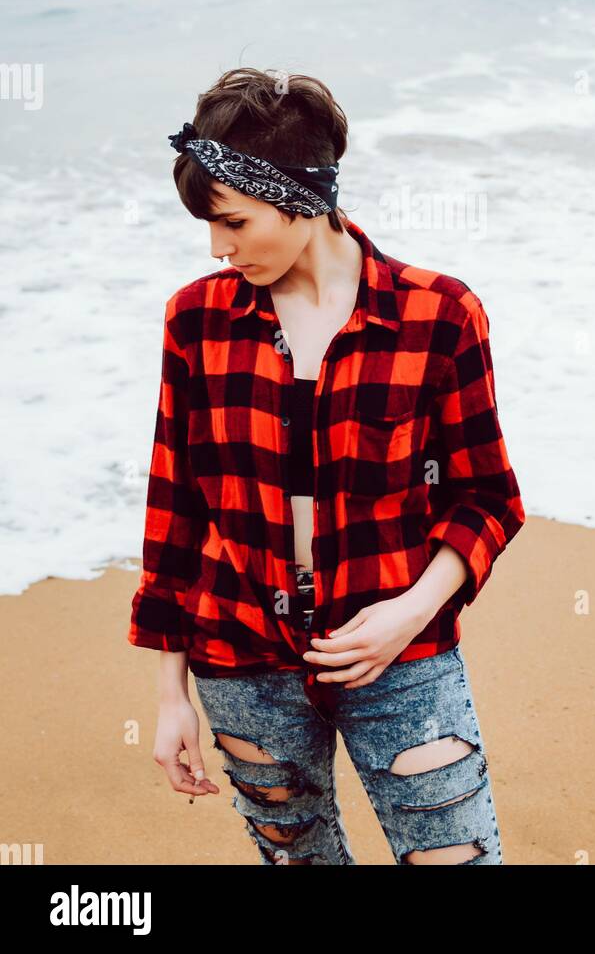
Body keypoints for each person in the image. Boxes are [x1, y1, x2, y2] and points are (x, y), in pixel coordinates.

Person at [128, 67, 526, 865]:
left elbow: (488, 496)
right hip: (239, 657)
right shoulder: (195, 318)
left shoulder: (438, 315)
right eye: (209, 227)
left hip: (401, 655)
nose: (219, 247)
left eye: (234, 222)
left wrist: (411, 611)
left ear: (300, 198)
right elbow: (176, 505)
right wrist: (170, 695)